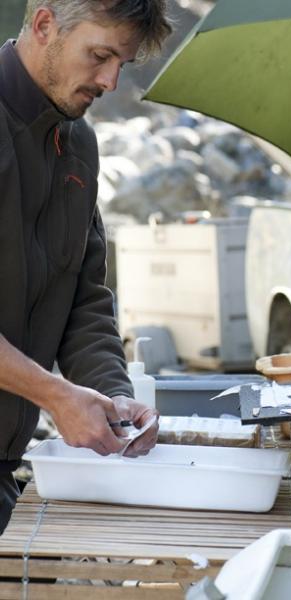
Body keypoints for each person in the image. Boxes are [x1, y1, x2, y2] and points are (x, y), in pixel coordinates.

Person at [0, 0, 172, 534]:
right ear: (45, 24)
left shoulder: (78, 143)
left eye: (122, 63)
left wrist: (113, 395)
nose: (110, 81)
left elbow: (84, 300)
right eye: (99, 56)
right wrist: (56, 395)